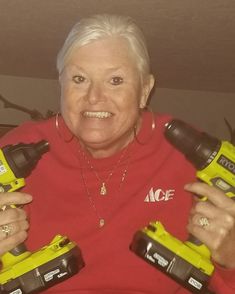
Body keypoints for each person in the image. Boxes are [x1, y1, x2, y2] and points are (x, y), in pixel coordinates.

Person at [0, 14, 235, 293]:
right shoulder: (17, 149)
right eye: (79, 79)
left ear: (145, 90)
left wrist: (230, 258)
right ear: (60, 85)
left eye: (115, 80)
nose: (95, 97)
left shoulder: (195, 153)